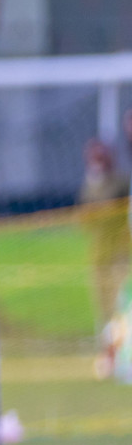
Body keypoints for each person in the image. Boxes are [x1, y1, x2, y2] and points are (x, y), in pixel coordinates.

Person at [80, 138, 131, 330]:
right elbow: (85, 218)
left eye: (100, 156)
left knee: (120, 301)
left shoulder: (120, 183)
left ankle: (120, 346)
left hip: (119, 253)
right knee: (103, 304)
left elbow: (108, 205)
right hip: (99, 253)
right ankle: (108, 344)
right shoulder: (90, 184)